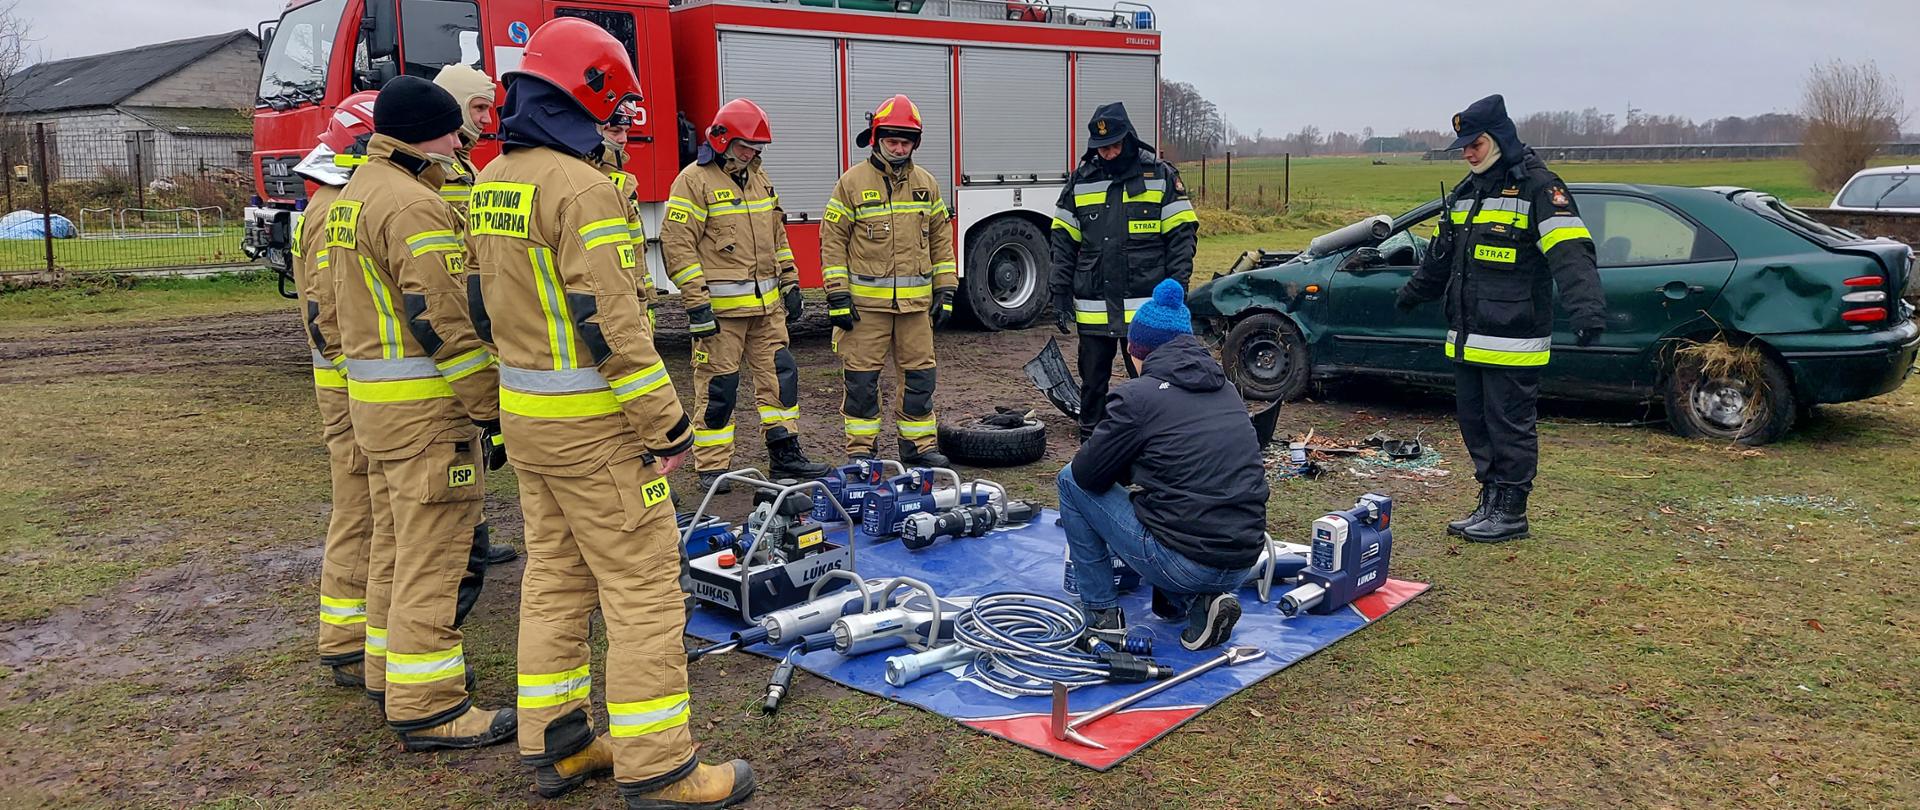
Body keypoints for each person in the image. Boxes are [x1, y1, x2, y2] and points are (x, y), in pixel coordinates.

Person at [465, 18, 753, 808]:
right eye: (615, 104)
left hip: (529, 420)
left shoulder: (492, 178)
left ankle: (557, 745)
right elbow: (613, 324)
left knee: (555, 579)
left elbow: (474, 305)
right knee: (644, 587)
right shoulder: (583, 188)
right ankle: (660, 767)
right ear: (583, 95)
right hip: (595, 430)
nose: (619, 121)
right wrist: (665, 425)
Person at [329, 75, 514, 749]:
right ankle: (430, 704)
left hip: (377, 410)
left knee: (394, 550)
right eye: (451, 132)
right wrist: (490, 407)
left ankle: (386, 673)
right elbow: (440, 318)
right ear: (426, 132)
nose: (460, 143)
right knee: (434, 557)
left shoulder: (357, 194)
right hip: (426, 416)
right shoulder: (415, 206)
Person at [1396, 94, 1607, 543]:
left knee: (1509, 426)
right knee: (1476, 425)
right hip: (1468, 339)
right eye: (1464, 146)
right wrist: (1412, 294)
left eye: (1476, 143)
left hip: (1515, 340)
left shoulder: (1538, 186)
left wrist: (1586, 310)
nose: (1469, 153)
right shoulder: (1466, 193)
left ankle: (1511, 511)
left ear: (1500, 137)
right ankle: (1490, 501)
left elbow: (1571, 254)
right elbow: (1440, 257)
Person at [1058, 279, 1268, 651]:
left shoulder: (1138, 397)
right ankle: (1197, 603)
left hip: (1186, 559)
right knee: (1171, 505)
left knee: (1069, 482)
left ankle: (1101, 618)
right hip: (1242, 559)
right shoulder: (1228, 391)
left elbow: (1087, 474)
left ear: (1138, 352)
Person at [663, 98, 830, 492]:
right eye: (744, 147)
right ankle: (713, 466)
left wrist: (790, 282)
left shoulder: (759, 178)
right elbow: (677, 244)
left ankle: (785, 453)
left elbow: (777, 237)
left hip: (767, 309)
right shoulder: (694, 181)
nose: (751, 154)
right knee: (718, 387)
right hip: (720, 313)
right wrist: (697, 303)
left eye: (756, 148)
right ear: (721, 140)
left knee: (780, 379)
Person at [289, 89, 379, 690]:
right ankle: (347, 641)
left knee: (365, 511)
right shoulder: (332, 208)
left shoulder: (324, 200)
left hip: (348, 384)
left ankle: (351, 635)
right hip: (350, 390)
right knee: (360, 512)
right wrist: (361, 378)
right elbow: (329, 313)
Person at [821, 94, 957, 466]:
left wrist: (946, 290)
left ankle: (918, 447)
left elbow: (942, 240)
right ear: (876, 138)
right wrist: (837, 296)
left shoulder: (926, 184)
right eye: (892, 140)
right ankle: (862, 451)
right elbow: (832, 242)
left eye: (905, 141)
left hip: (915, 309)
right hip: (865, 310)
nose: (898, 148)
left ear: (915, 142)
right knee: (861, 384)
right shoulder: (851, 184)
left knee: (919, 379)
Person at [1049, 102, 1198, 439]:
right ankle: (1092, 434)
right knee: (1093, 377)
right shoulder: (1082, 179)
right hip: (1094, 305)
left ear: (1130, 139)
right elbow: (1062, 241)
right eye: (1102, 148)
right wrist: (1058, 292)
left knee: (1155, 378)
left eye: (1115, 145)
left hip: (1147, 308)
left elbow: (1181, 236)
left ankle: (1159, 433)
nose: (1110, 154)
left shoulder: (1160, 176)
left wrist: (1177, 289)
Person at [430, 63, 522, 572]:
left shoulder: (465, 168)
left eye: (490, 109)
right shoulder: (439, 172)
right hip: (450, 323)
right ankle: (465, 544)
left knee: (472, 438)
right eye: (479, 108)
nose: (487, 120)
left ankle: (475, 536)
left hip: (473, 319)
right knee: (455, 440)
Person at [430, 63, 498, 214]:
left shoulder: (462, 158)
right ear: (456, 104)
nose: (488, 120)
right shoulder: (430, 161)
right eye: (480, 107)